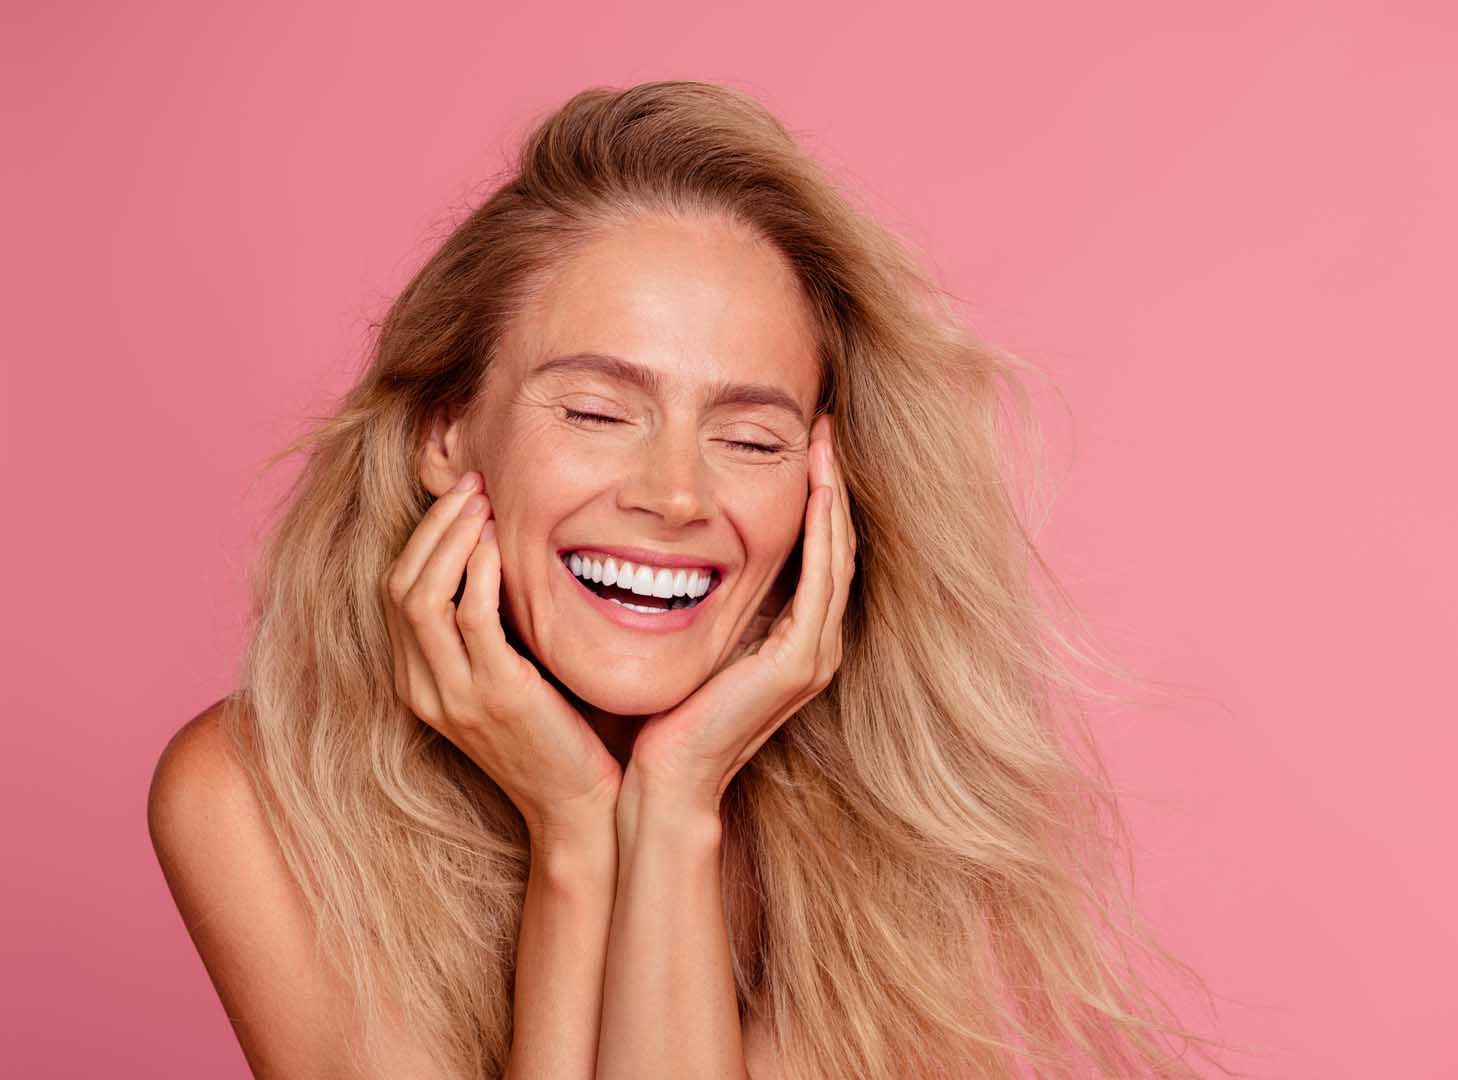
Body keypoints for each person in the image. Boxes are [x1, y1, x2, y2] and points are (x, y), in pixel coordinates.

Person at [147, 80, 1223, 1079]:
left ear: (826, 489)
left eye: (750, 438)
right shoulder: (255, 795)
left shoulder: (874, 819)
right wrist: (575, 827)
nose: (674, 495)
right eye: (597, 412)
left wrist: (674, 805)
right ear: (447, 434)